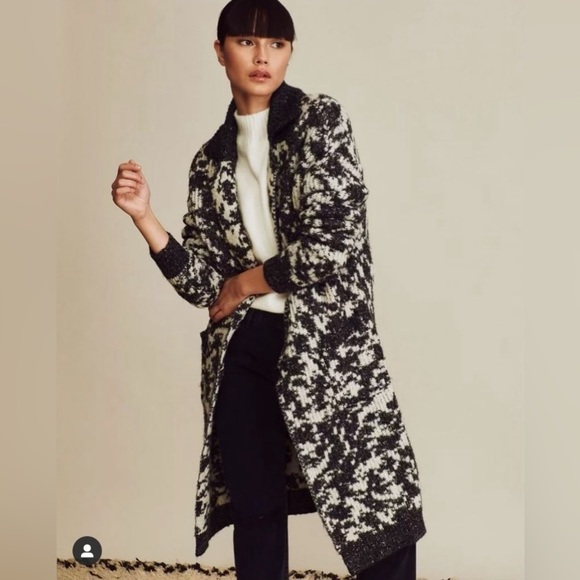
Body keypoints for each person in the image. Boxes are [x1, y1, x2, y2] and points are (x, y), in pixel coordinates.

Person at [111, 0, 427, 578]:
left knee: (377, 508)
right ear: (220, 51)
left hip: (327, 345)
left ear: (289, 53)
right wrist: (145, 218)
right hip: (243, 346)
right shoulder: (209, 161)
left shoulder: (319, 121)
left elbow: (333, 242)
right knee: (255, 512)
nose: (262, 57)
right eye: (247, 42)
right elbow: (206, 288)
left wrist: (245, 281)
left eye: (276, 44)